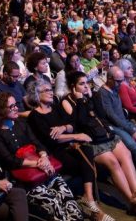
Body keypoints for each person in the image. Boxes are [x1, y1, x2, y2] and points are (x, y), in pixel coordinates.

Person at [62, 71, 136, 216]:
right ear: (73, 86)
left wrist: (91, 99)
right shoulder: (67, 101)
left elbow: (101, 115)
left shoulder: (90, 96)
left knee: (126, 155)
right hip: (91, 141)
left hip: (105, 135)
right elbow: (79, 123)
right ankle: (132, 202)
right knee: (113, 163)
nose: (86, 86)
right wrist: (80, 101)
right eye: (81, 84)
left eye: (86, 83)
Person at [0, 93, 85, 221]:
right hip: (24, 178)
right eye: (11, 107)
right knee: (53, 204)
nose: (16, 108)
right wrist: (38, 163)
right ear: (0, 111)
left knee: (67, 198)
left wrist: (44, 157)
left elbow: (38, 143)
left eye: (16, 105)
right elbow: (9, 160)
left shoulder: (21, 124)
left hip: (42, 168)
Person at [26, 79, 114, 221]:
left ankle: (89, 200)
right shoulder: (34, 116)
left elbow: (73, 123)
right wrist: (75, 135)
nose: (50, 92)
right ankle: (90, 204)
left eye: (50, 89)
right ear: (36, 95)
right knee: (86, 162)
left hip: (69, 146)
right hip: (54, 152)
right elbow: (51, 139)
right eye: (46, 90)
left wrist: (64, 128)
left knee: (87, 151)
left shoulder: (55, 107)